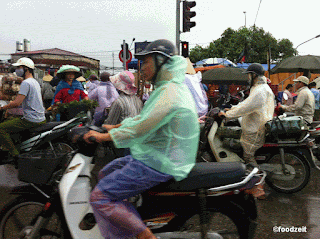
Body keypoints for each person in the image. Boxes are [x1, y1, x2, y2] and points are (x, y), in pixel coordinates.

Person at [84, 39, 200, 239]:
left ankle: (144, 235)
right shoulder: (168, 88)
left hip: (159, 162)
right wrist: (116, 127)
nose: (142, 68)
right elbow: (144, 119)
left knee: (100, 197)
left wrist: (104, 136)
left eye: (146, 62)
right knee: (104, 173)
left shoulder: (170, 92)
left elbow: (141, 127)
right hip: (155, 155)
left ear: (161, 61)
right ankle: (128, 221)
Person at [218, 63, 275, 198]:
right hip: (253, 126)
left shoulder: (260, 90)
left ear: (254, 75)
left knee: (248, 157)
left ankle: (259, 188)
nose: (248, 78)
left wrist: (228, 115)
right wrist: (231, 109)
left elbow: (246, 108)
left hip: (255, 130)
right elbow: (245, 104)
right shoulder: (259, 88)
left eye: (249, 75)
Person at [0, 57, 46, 161]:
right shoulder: (35, 82)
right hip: (40, 117)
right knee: (11, 123)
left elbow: (17, 103)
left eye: (19, 68)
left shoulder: (26, 83)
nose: (17, 70)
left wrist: (3, 108)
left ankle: (15, 155)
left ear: (26, 68)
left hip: (31, 119)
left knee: (1, 128)